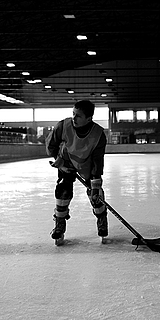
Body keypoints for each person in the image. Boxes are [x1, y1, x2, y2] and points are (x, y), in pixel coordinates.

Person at [45, 100, 108, 246]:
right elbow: (51, 145)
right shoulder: (63, 125)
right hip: (66, 162)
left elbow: (97, 163)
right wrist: (59, 160)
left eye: (78, 116)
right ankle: (59, 223)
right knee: (63, 190)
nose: (74, 118)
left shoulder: (98, 135)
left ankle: (101, 218)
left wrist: (96, 185)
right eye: (73, 113)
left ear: (89, 118)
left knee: (95, 194)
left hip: (87, 165)